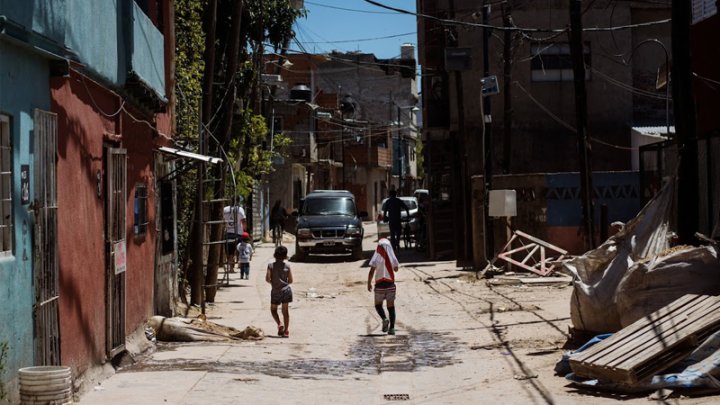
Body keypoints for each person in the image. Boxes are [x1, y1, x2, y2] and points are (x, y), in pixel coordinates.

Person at [367, 238, 400, 335]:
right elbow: (396, 269)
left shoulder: (377, 256)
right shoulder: (392, 256)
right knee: (391, 307)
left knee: (378, 305)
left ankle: (384, 318)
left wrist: (369, 283)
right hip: (390, 285)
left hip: (380, 285)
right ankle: (392, 328)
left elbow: (371, 271)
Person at [266, 245, 293, 338]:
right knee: (285, 311)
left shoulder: (270, 266)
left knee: (273, 310)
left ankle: (279, 323)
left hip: (275, 291)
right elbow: (291, 280)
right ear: (285, 256)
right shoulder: (287, 266)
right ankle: (286, 331)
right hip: (286, 291)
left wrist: (273, 283)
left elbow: (267, 279)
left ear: (274, 255)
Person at [223, 204, 247, 272]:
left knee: (230, 252)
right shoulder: (240, 210)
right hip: (238, 233)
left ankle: (231, 268)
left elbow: (222, 220)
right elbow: (244, 221)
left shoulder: (225, 209)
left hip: (228, 233)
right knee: (238, 249)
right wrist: (245, 230)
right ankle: (239, 262)